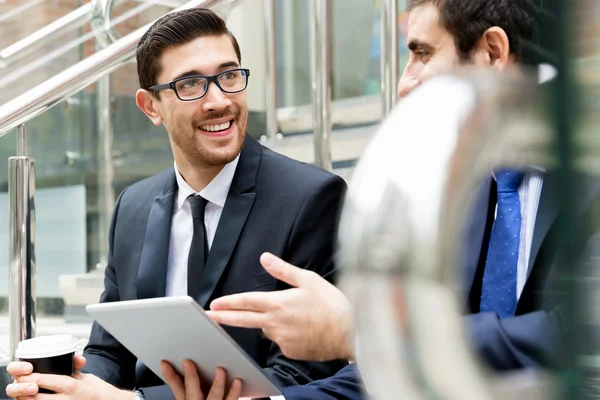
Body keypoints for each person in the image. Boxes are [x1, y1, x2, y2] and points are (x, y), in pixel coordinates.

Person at [141, 0, 600, 399]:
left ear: (492, 53)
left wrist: (362, 330)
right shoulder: (466, 188)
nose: (404, 84)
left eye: (421, 54)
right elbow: (393, 372)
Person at [5, 7, 348, 400]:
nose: (218, 100)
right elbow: (109, 351)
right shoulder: (132, 207)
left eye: (230, 76)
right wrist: (65, 387)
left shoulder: (311, 198)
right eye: (190, 84)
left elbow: (303, 378)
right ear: (151, 106)